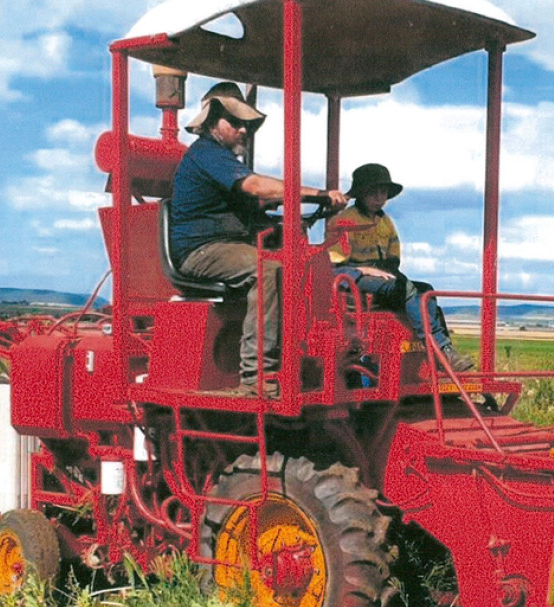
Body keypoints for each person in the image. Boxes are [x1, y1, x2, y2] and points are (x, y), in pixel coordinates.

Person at [170, 82, 346, 397]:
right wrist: (317, 194)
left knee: (297, 264)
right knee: (267, 269)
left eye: (246, 125)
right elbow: (255, 187)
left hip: (232, 244)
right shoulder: (207, 154)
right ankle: (257, 378)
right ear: (212, 123)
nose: (242, 130)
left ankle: (304, 360)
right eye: (234, 122)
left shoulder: (225, 161)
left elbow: (259, 200)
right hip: (201, 250)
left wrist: (296, 204)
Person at [327, 164, 473, 372]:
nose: (379, 197)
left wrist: (388, 272)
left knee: (426, 291)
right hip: (351, 276)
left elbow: (393, 258)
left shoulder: (385, 222)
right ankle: (441, 351)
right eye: (374, 192)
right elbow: (335, 265)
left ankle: (438, 353)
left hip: (382, 273)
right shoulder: (344, 220)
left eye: (383, 192)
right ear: (361, 193)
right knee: (406, 289)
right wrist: (365, 270)